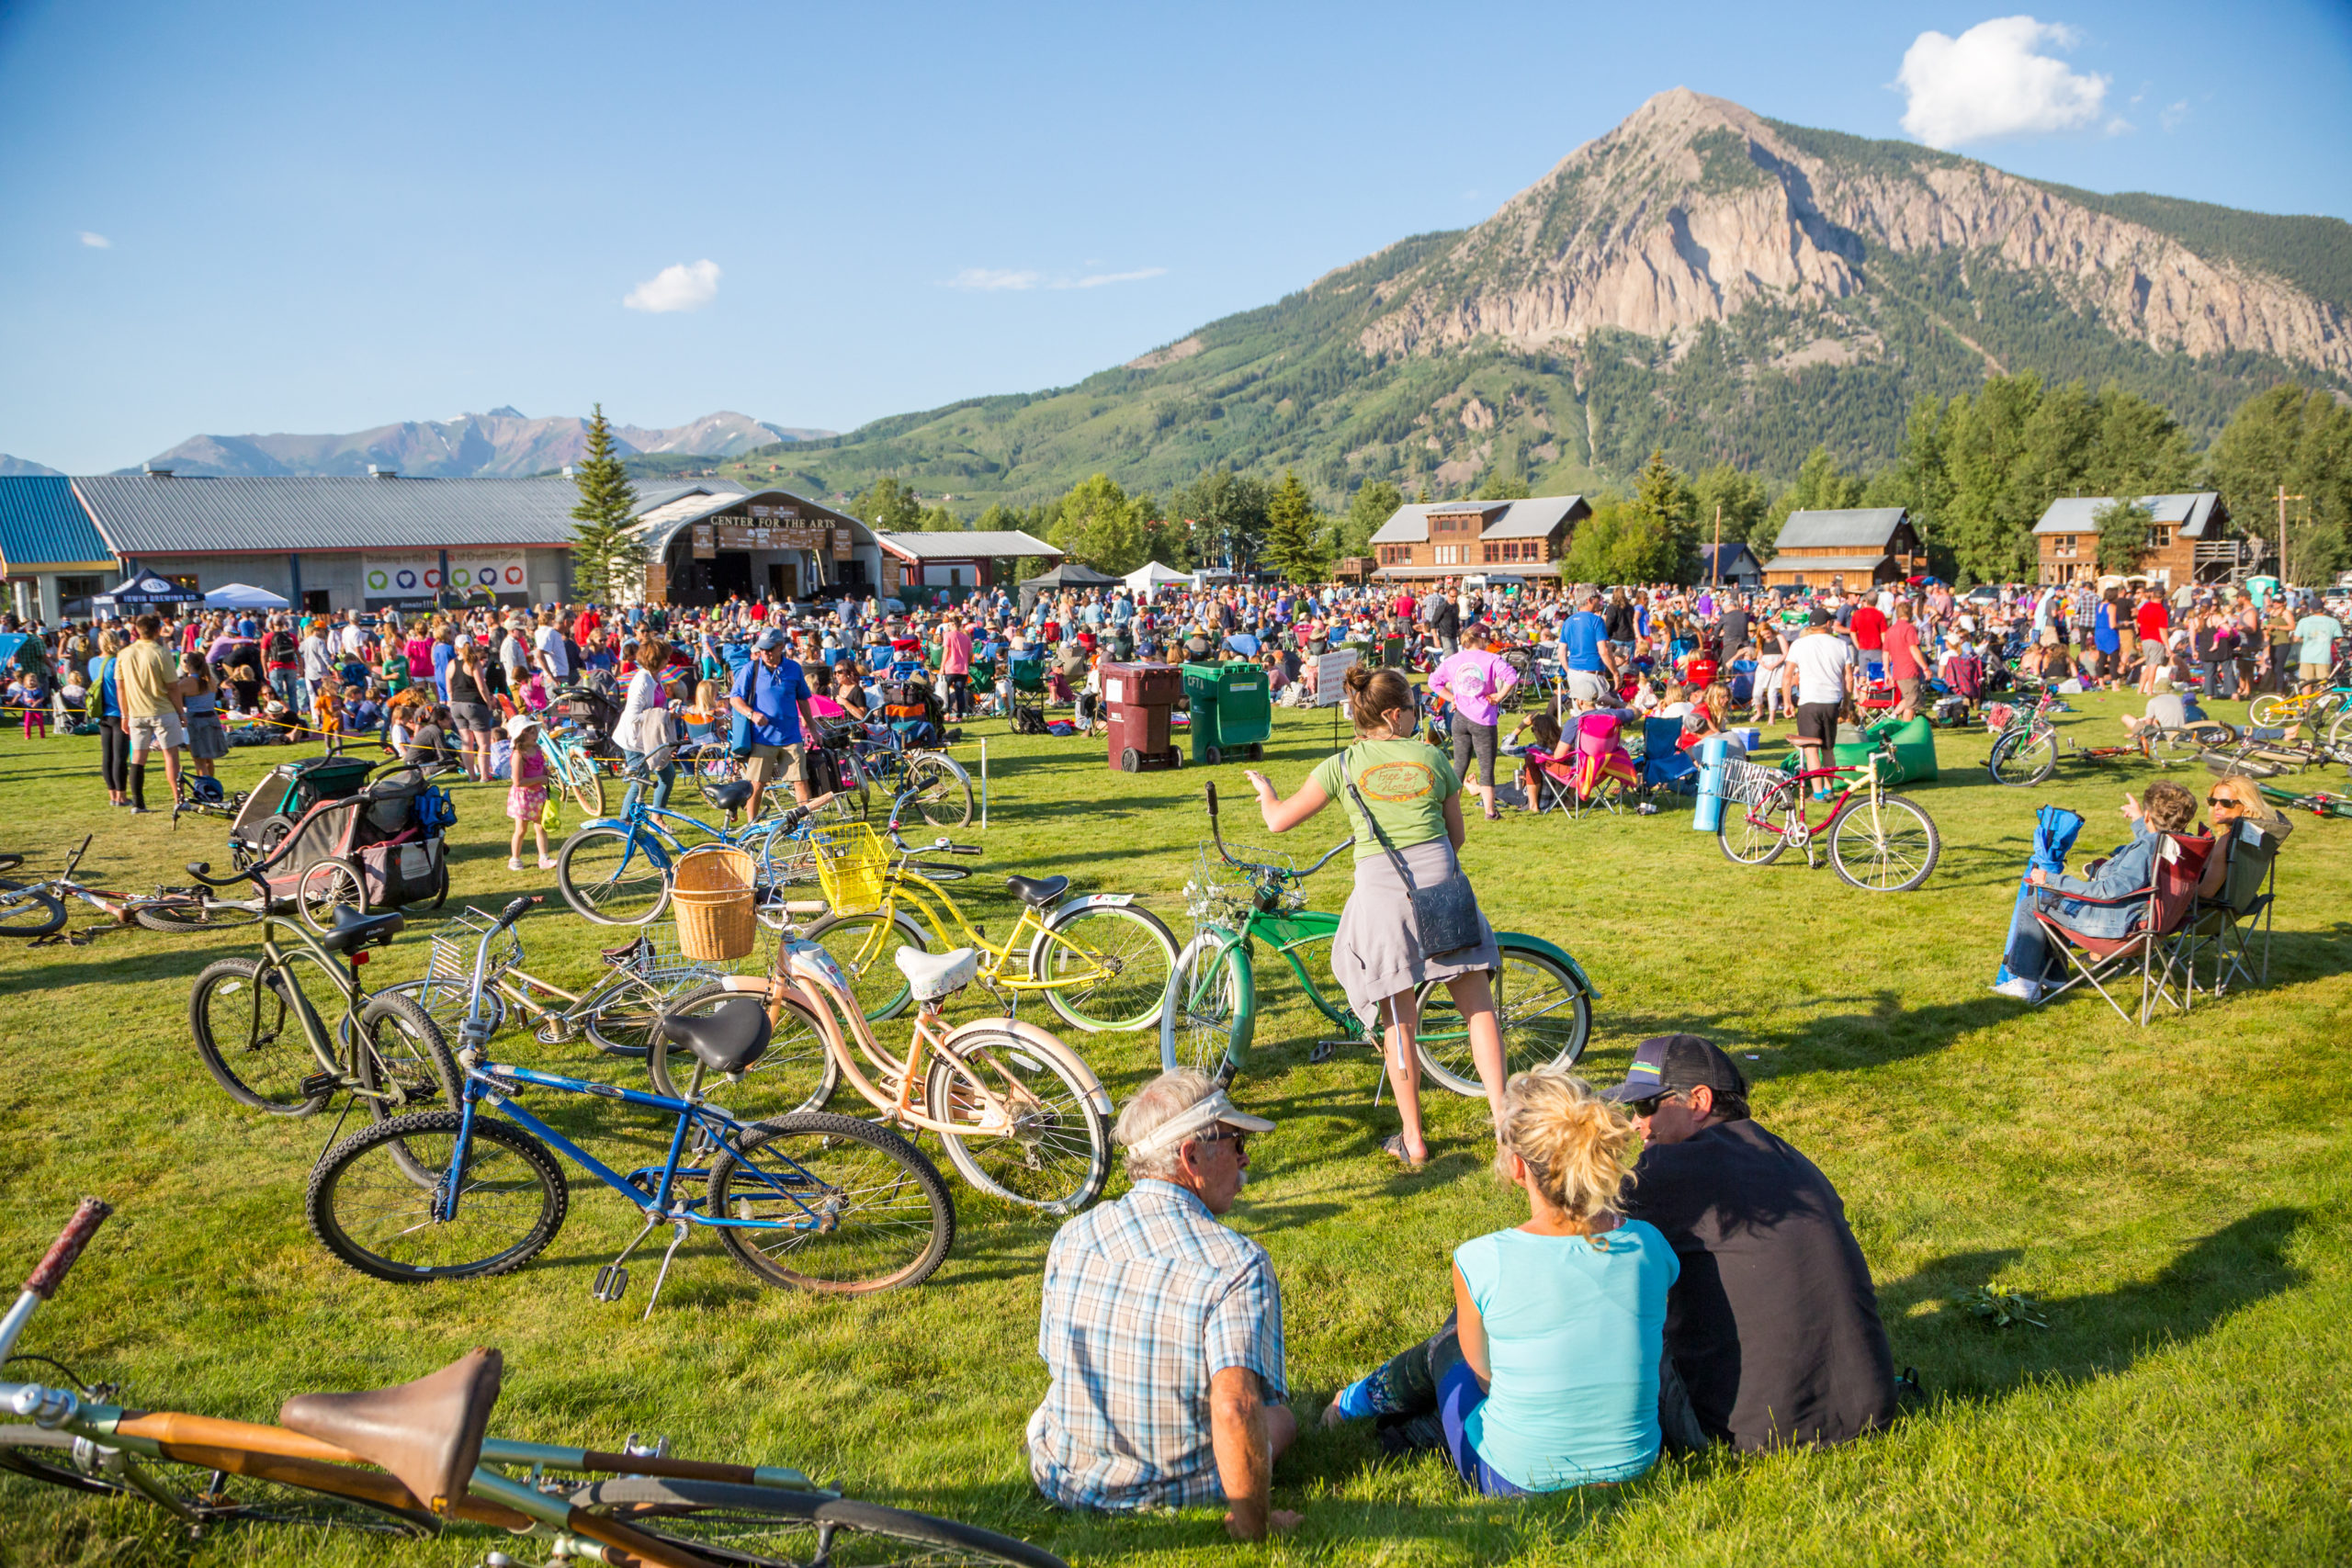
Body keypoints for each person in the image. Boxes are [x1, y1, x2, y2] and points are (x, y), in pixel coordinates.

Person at [1321, 1067, 1684, 1494]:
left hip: (1515, 1479)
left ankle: (1354, 1404)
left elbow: (1482, 1377)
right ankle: (1381, 1410)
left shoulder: (1480, 1258)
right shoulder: (1649, 1244)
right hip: (1635, 1466)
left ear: (1516, 1166)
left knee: (1446, 1348)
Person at [1239, 664, 1506, 1165]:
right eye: (1412, 708)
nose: (1416, 715)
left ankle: (1414, 1139)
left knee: (1397, 1021)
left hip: (1382, 897)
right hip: (1442, 885)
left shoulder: (1340, 766)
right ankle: (1503, 1126)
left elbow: (1278, 822)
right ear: (1393, 714)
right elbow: (1458, 837)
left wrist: (1267, 794)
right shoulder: (1432, 757)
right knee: (1479, 1008)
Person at [1027, 1070, 1298, 1539]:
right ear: (1190, 1156)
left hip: (1066, 1478)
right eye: (1235, 1143)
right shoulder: (1236, 1263)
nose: (1245, 1157)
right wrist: (1257, 1529)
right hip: (1175, 1489)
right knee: (1282, 1419)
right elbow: (1235, 1409)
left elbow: (1055, 1360)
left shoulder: (1073, 1235)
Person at [1600, 1034, 1897, 1451]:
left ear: (1698, 1102)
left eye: (1647, 1106)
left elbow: (1584, 1261)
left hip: (1745, 1431)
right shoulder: (1792, 1158)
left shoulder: (1668, 1168)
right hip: (1867, 1409)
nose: (1636, 1123)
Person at [1995, 781, 2200, 1001]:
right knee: (2055, 903)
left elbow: (2109, 889)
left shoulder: (2145, 849)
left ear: (2150, 816)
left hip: (2121, 931)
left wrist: (2052, 880)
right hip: (2157, 926)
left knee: (2035, 903)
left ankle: (2025, 984)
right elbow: (2154, 843)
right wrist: (2140, 820)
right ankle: (2054, 976)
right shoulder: (2184, 845)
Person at [1429, 624, 1520, 821]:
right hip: (1484, 718)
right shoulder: (1492, 659)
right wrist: (1499, 696)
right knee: (1486, 768)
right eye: (1486, 640)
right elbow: (1512, 677)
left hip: (1460, 718)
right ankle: (1490, 812)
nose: (1487, 644)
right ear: (1481, 639)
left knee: (1459, 765)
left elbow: (1433, 682)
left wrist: (1451, 697)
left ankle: (1451, 811)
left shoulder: (1453, 660)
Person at [729, 626, 818, 820]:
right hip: (762, 738)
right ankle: (751, 826)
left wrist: (812, 728)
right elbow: (735, 698)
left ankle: (806, 824)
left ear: (780, 647)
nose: (766, 653)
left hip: (791, 736)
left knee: (801, 781)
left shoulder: (794, 668)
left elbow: (803, 699)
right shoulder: (751, 669)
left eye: (770, 649)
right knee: (756, 783)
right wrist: (751, 714)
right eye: (762, 649)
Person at [117, 615, 187, 814]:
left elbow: (120, 688)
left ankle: (138, 803)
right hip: (162, 710)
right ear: (157, 631)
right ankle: (178, 799)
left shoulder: (125, 653)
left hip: (136, 712)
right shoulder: (161, 652)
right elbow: (173, 687)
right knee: (171, 755)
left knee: (137, 758)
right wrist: (181, 712)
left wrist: (124, 714)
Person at [1783, 609, 1855, 784]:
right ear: (1829, 624)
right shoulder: (1840, 645)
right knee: (1828, 749)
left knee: (1811, 750)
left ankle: (1818, 792)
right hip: (1832, 701)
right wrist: (1846, 704)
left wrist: (1787, 702)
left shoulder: (1799, 645)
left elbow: (1787, 676)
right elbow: (1848, 677)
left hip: (1809, 701)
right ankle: (1829, 789)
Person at [2197, 773, 2291, 900]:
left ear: (2246, 806)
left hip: (2202, 911)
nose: (2217, 807)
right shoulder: (2259, 839)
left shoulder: (2226, 843)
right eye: (2213, 801)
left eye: (2226, 803)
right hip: (2237, 907)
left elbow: (2205, 892)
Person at [616, 635, 683, 809]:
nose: (669, 659)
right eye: (666, 657)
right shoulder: (642, 682)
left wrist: (669, 709)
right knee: (640, 783)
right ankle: (625, 824)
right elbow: (633, 716)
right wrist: (664, 715)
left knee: (667, 776)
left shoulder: (656, 676)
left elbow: (656, 704)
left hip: (650, 738)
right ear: (657, 660)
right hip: (635, 740)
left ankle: (657, 817)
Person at [504, 714, 555, 872]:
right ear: (522, 735)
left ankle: (544, 857)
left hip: (538, 794)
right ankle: (515, 858)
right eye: (532, 733)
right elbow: (518, 782)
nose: (536, 736)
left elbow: (540, 766)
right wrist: (541, 778)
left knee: (541, 826)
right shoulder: (519, 755)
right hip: (524, 797)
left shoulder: (537, 750)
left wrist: (545, 771)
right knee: (521, 829)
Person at [175, 652, 228, 779]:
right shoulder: (211, 681)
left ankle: (206, 789)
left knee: (199, 761)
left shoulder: (185, 683)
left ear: (188, 665)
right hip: (212, 719)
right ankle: (211, 786)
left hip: (195, 721)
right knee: (209, 760)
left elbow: (176, 701)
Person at [1558, 593, 1615, 704]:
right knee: (1599, 714)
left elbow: (1561, 653)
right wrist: (1615, 673)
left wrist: (1569, 672)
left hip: (1574, 672)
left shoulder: (1568, 621)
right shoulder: (1597, 621)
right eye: (1597, 599)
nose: (1600, 601)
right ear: (1589, 600)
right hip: (1593, 673)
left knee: (1580, 714)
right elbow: (1603, 651)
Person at [2290, 602, 2344, 686]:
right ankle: (2321, 698)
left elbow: (2296, 639)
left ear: (2311, 609)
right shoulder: (2333, 622)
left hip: (2306, 657)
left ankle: (2305, 700)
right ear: (2323, 609)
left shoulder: (2303, 621)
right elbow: (2340, 638)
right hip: (2324, 657)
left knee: (2305, 683)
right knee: (2323, 683)